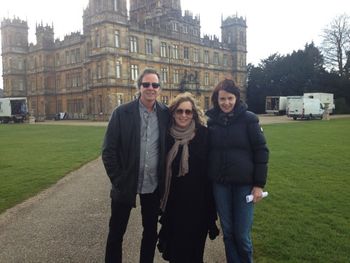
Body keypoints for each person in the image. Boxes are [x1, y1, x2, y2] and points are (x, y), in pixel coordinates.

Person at [102, 68, 170, 263]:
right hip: (126, 183)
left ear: (159, 89)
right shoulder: (122, 113)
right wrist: (119, 180)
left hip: (153, 184)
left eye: (155, 85)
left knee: (150, 232)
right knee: (116, 233)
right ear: (139, 87)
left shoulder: (166, 114)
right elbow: (108, 150)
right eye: (146, 84)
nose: (151, 88)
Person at [206, 79, 269, 263]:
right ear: (216, 100)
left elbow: (261, 151)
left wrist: (258, 185)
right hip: (221, 185)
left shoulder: (249, 119)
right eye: (222, 99)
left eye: (230, 98)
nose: (226, 103)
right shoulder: (211, 122)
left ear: (237, 98)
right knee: (228, 233)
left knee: (241, 235)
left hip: (244, 186)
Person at [158, 92, 219, 263]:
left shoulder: (205, 135)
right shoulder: (166, 136)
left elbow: (211, 174)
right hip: (174, 207)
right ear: (173, 113)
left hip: (198, 207)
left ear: (194, 114)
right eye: (179, 111)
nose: (184, 115)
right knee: (176, 253)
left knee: (195, 254)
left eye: (188, 112)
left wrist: (211, 213)